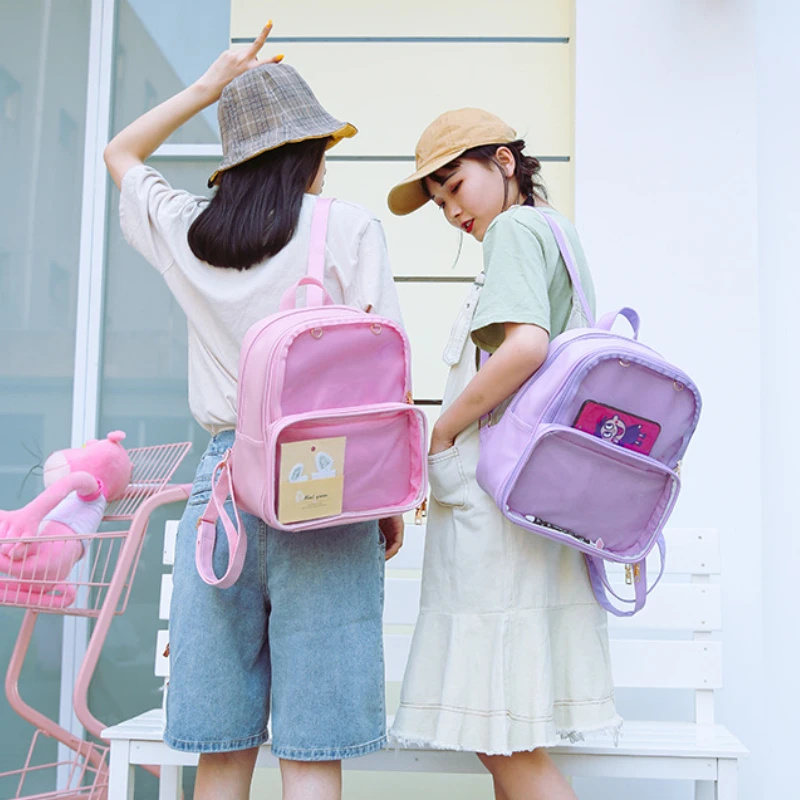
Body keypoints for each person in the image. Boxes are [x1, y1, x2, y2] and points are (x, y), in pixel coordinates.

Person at [104, 24, 404, 800]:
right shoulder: (348, 227)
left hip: (227, 488)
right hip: (331, 487)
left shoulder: (186, 230)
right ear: (306, 152)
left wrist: (209, 86)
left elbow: (120, 154)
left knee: (223, 749)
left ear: (235, 159)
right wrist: (388, 501)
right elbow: (384, 383)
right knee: (310, 752)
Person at [386, 108, 622, 800]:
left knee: (502, 739)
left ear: (504, 162)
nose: (451, 209)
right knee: (513, 731)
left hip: (501, 517)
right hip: (535, 506)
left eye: (456, 186)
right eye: (438, 201)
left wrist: (442, 429)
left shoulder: (515, 230)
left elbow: (526, 347)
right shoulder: (556, 231)